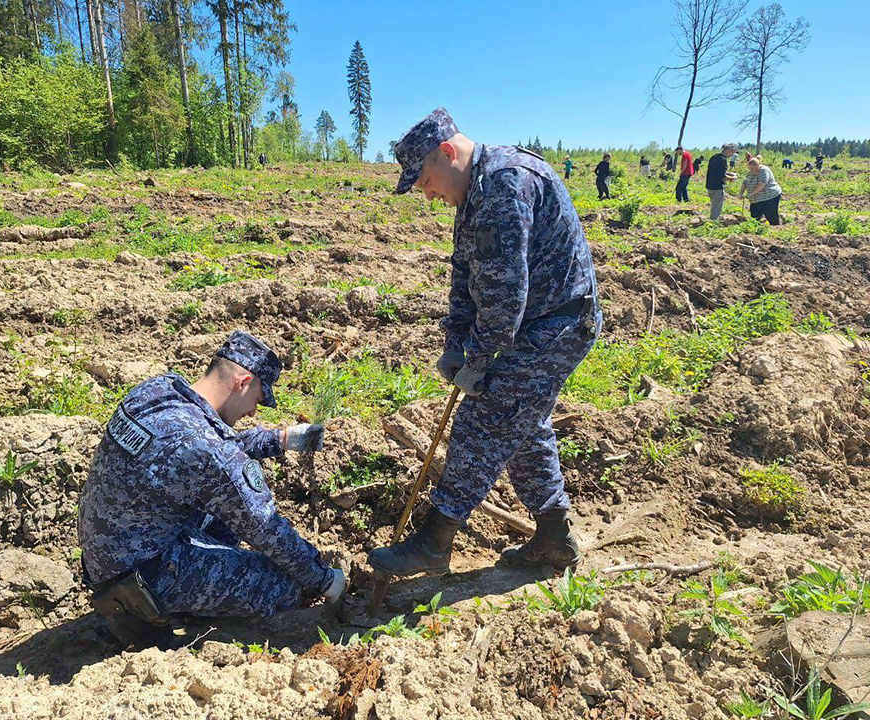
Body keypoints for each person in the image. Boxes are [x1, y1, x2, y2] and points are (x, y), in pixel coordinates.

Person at [368, 108, 601, 580]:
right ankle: (554, 538)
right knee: (523, 425)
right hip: (531, 323)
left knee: (487, 414)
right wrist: (456, 342)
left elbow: (504, 294)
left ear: (448, 153)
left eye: (426, 179)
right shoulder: (472, 194)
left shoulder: (503, 184)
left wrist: (477, 360)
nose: (427, 193)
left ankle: (436, 539)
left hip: (556, 321)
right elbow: (464, 276)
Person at [78, 331, 345, 645]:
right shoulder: (205, 447)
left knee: (220, 508)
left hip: (110, 554)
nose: (253, 412)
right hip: (146, 577)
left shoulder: (157, 392)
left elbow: (196, 450)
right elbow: (266, 530)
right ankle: (153, 615)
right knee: (284, 583)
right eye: (258, 399)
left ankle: (197, 588)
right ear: (242, 382)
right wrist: (325, 580)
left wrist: (280, 440)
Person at [738, 155, 782, 225]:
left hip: (770, 196)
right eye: (750, 169)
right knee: (754, 215)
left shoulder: (764, 170)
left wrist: (751, 194)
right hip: (756, 199)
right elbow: (744, 183)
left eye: (752, 169)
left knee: (771, 214)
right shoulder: (750, 173)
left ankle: (776, 228)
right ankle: (757, 228)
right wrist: (741, 193)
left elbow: (762, 184)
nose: (751, 171)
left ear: (758, 165)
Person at [705, 143, 738, 221]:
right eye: (732, 153)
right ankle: (713, 224)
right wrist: (732, 178)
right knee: (716, 209)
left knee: (714, 206)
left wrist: (730, 174)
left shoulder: (714, 157)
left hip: (710, 186)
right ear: (729, 150)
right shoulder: (723, 160)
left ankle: (713, 221)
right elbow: (722, 176)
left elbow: (717, 172)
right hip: (717, 187)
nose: (731, 155)